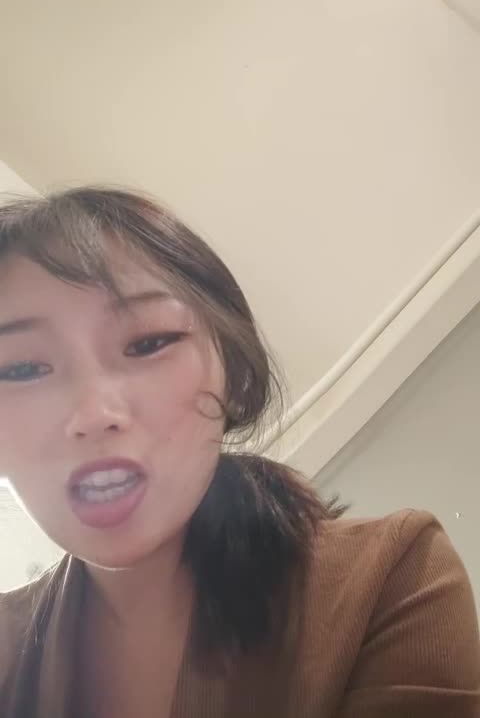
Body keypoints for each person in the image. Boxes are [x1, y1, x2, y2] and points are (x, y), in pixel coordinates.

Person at [0, 183, 478, 718]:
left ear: (235, 373)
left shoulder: (390, 576)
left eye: (148, 343)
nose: (92, 414)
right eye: (22, 368)